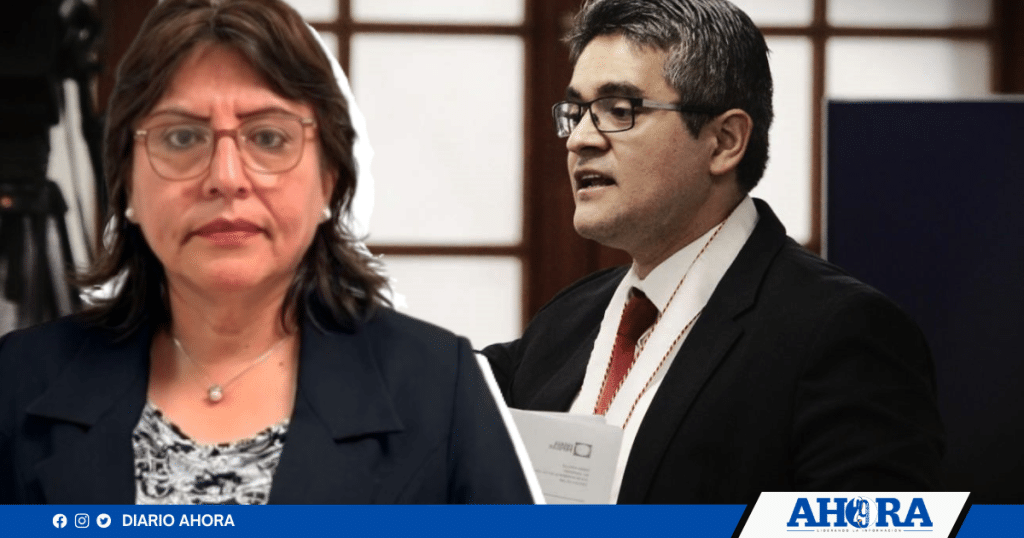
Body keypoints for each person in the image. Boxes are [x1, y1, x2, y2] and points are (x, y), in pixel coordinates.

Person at [0, 0, 533, 504]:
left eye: (269, 138)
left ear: (330, 180)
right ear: (127, 184)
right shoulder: (19, 380)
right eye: (182, 138)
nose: (226, 178)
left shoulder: (438, 387)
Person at [482, 0, 943, 504]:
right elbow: (443, 399)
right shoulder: (567, 319)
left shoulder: (840, 332)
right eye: (576, 113)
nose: (580, 140)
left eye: (619, 110)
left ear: (724, 141)